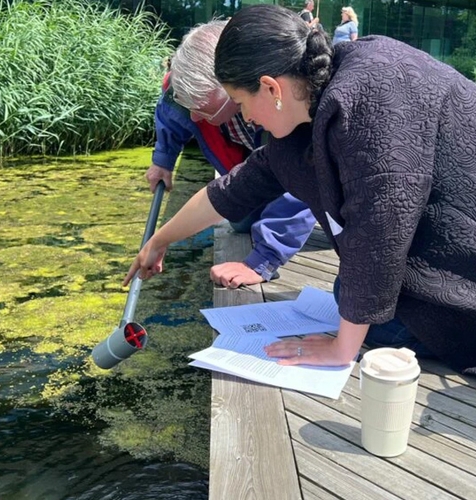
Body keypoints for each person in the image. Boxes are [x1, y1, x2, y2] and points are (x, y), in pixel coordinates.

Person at [124, 5, 476, 375]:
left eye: (242, 104)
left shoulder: (372, 95)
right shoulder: (307, 107)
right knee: (352, 297)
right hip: (431, 247)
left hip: (461, 264)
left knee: (376, 316)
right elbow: (233, 189)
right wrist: (160, 240)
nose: (245, 119)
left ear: (271, 87)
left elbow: (379, 232)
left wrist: (341, 348)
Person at [146, 20, 316, 287]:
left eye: (202, 110)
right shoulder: (183, 87)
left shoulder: (284, 105)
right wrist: (162, 161)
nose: (193, 117)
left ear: (230, 86)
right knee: (242, 222)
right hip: (251, 162)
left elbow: (304, 177)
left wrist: (264, 258)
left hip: (331, 191)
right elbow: (173, 116)